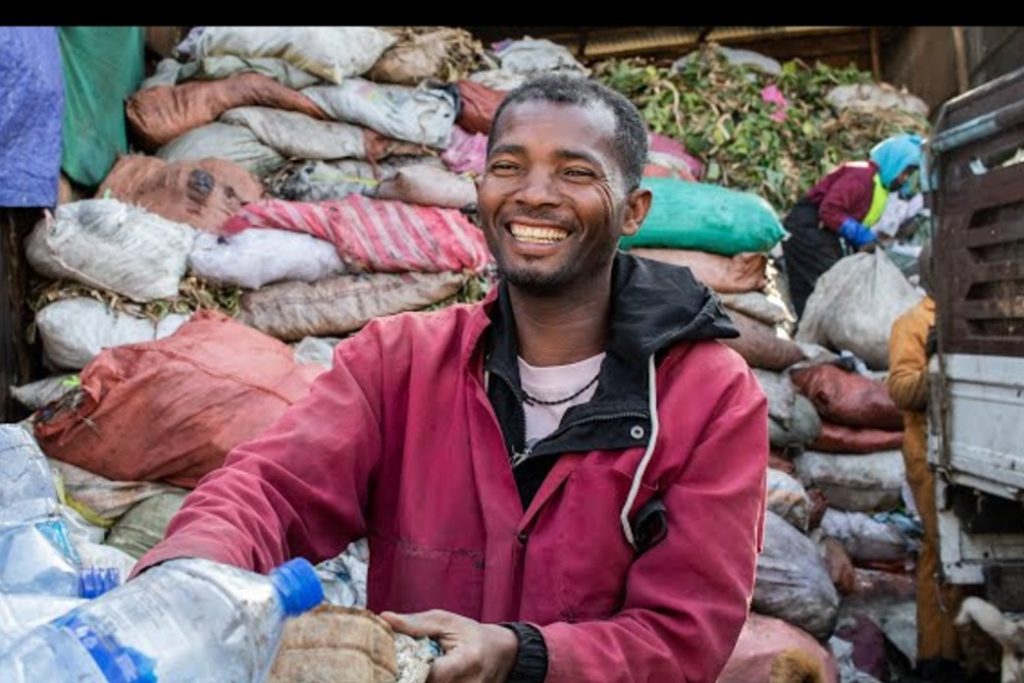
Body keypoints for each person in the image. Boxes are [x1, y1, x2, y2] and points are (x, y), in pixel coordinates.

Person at [135, 75, 769, 682]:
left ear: (633, 211)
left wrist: (519, 657)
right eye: (509, 166)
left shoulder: (709, 396)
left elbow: (685, 637)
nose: (535, 193)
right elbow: (269, 489)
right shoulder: (400, 361)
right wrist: (187, 575)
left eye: (575, 172)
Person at [888, 243, 966, 683]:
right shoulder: (914, 324)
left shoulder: (978, 317)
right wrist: (934, 370)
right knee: (943, 555)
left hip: (961, 452)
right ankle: (939, 657)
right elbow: (899, 389)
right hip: (929, 456)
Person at [783, 133, 924, 318]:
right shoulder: (861, 176)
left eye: (909, 174)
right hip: (808, 231)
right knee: (828, 287)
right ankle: (810, 335)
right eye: (905, 172)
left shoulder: (879, 187)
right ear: (894, 162)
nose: (905, 179)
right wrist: (862, 237)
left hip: (825, 235)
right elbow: (830, 211)